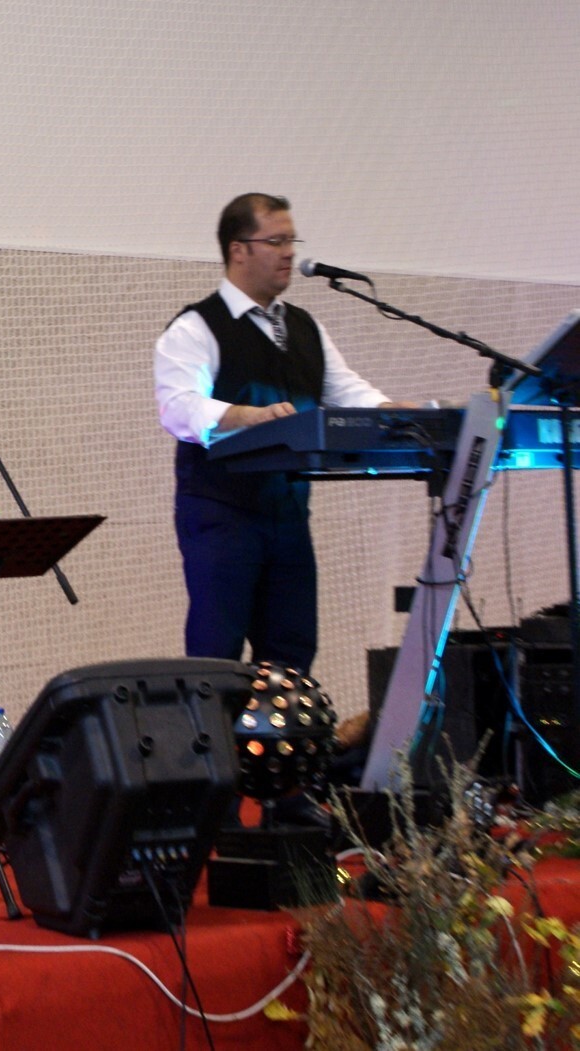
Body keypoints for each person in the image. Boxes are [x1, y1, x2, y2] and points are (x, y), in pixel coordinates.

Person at [155, 193, 414, 826]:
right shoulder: (196, 327)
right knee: (217, 660)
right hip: (221, 514)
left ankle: (286, 797)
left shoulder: (304, 328)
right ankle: (212, 802)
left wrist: (397, 416)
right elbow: (179, 407)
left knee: (291, 655)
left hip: (288, 515)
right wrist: (243, 415)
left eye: (291, 241)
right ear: (238, 250)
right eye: (276, 241)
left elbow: (346, 391)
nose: (289, 254)